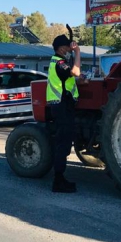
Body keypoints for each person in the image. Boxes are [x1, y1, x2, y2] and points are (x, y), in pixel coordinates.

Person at [47, 34, 83, 193]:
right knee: (63, 142)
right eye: (69, 48)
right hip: (61, 106)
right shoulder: (59, 63)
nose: (70, 50)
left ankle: (60, 178)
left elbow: (69, 79)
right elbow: (75, 72)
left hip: (63, 105)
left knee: (64, 141)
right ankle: (58, 180)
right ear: (62, 48)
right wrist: (78, 52)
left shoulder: (59, 63)